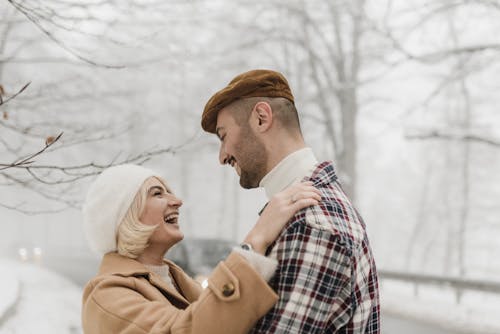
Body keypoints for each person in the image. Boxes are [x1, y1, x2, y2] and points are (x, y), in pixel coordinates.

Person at [201, 69, 380, 333]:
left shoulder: (312, 223)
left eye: (224, 135)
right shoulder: (299, 212)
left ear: (261, 118)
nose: (222, 156)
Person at [81, 164, 321, 334]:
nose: (177, 201)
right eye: (157, 193)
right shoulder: (106, 295)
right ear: (125, 216)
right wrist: (255, 240)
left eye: (169, 192)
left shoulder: (173, 277)